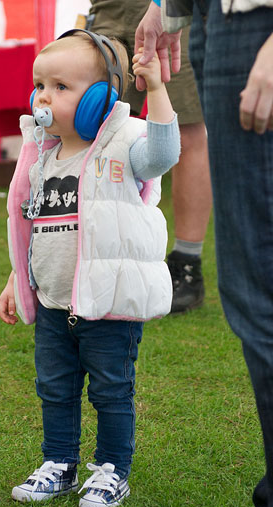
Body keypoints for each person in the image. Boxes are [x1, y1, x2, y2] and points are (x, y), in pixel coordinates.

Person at [0, 29, 180, 507]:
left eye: (61, 87)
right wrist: (18, 277)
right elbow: (32, 226)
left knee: (111, 390)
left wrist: (157, 91)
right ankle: (59, 463)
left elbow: (164, 156)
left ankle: (111, 470)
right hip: (56, 304)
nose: (43, 96)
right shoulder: (41, 155)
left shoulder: (126, 146)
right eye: (40, 85)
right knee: (54, 389)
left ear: (100, 96)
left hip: (108, 306)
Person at [135, 1, 273, 507]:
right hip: (216, 20)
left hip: (261, 23)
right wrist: (165, 7)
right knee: (262, 280)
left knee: (266, 283)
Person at [86, 0, 212, 314]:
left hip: (167, 4)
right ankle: (96, 254)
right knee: (95, 128)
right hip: (108, 7)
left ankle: (186, 264)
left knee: (187, 128)